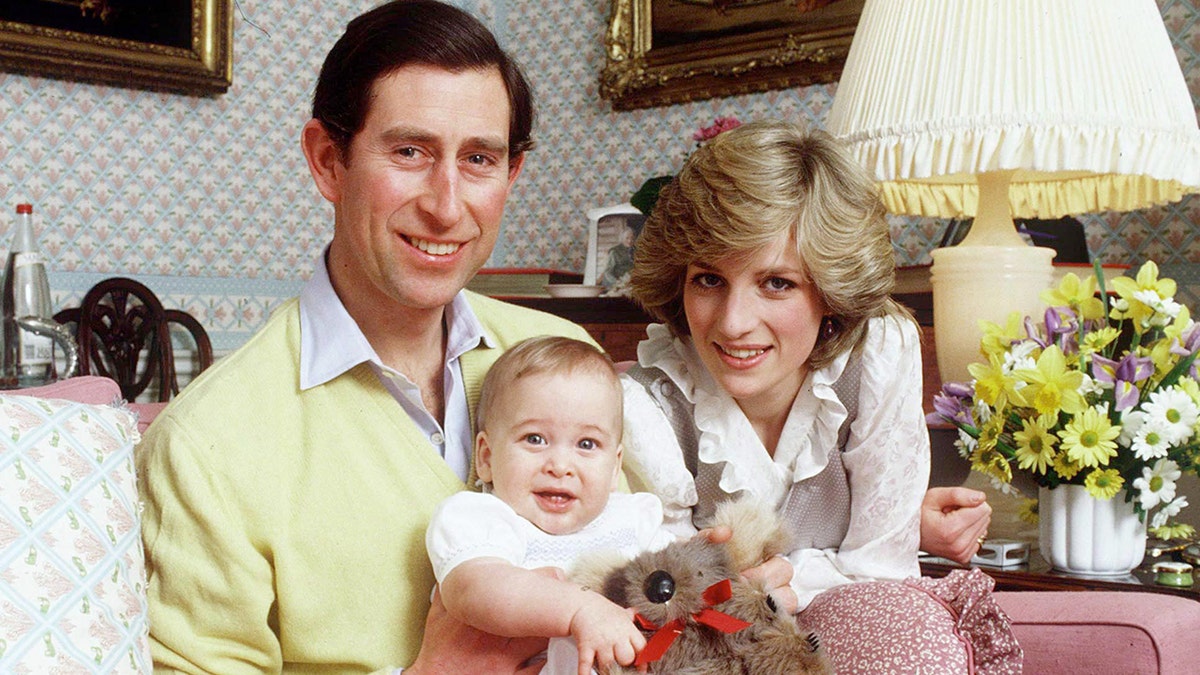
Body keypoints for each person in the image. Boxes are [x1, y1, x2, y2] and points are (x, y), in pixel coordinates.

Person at [135, 2, 596, 672]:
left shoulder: (568, 359)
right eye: (410, 152)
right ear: (328, 161)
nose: (446, 204)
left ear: (510, 175)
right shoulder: (206, 446)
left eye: (478, 159)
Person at [619, 120, 1016, 670]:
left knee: (911, 631)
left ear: (829, 292)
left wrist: (787, 585)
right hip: (711, 654)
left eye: (777, 283)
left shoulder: (879, 349)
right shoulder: (643, 406)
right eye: (709, 280)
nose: (734, 324)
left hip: (856, 613)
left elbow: (880, 567)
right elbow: (665, 604)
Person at [426, 336, 675, 675]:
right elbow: (474, 589)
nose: (560, 465)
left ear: (615, 467)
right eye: (535, 439)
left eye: (587, 444)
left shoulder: (632, 519)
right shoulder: (483, 519)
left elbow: (680, 584)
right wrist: (578, 610)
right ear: (486, 457)